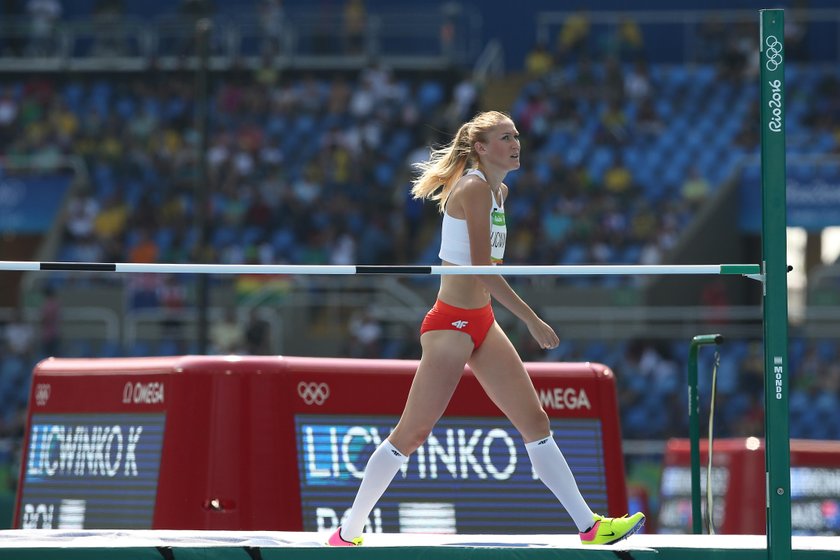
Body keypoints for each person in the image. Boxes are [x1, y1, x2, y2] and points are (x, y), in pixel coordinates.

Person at [327, 111, 644, 546]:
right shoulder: (474, 187)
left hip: (481, 322)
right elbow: (483, 273)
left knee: (535, 420)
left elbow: (488, 270)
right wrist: (532, 319)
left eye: (516, 135)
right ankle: (348, 531)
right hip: (451, 324)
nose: (516, 143)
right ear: (480, 147)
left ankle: (589, 526)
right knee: (413, 433)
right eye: (504, 137)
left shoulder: (500, 191)